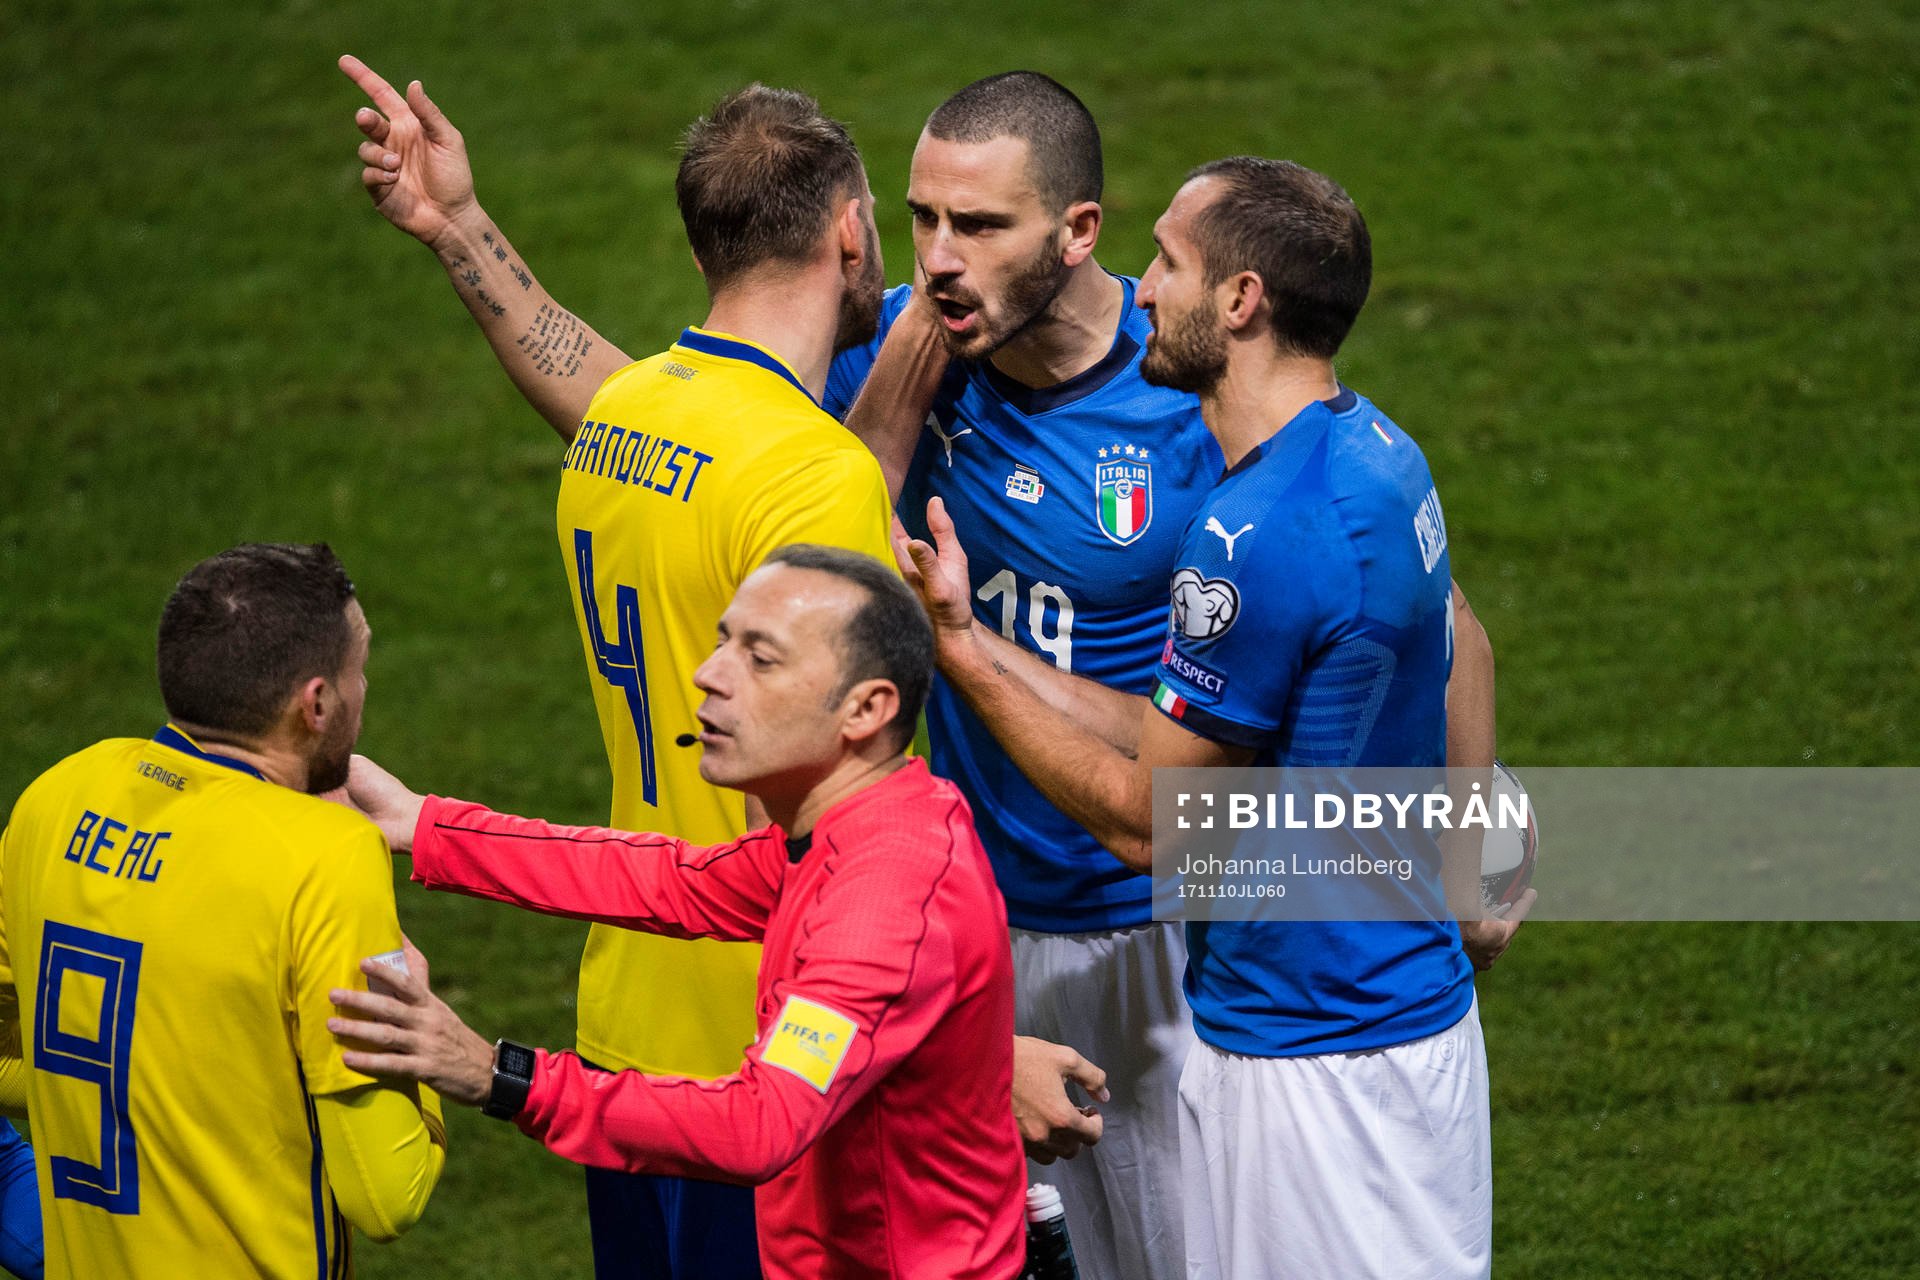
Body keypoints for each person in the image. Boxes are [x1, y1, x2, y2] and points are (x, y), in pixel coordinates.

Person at [339, 57, 1111, 1276]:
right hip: (769, 1036)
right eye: (913, 224)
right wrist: (971, 1044)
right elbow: (855, 818)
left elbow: (576, 371)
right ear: (856, 233)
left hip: (626, 1011)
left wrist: (457, 227)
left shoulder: (631, 418)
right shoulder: (817, 478)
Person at [895, 158, 1533, 1279]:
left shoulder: (1250, 538)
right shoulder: (1378, 453)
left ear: (1241, 301)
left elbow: (1154, 827)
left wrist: (961, 665)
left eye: (1172, 265)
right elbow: (1462, 640)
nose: (1140, 287)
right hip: (1398, 1014)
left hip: (1313, 1056)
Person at [329, 546, 1023, 1280]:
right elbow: (673, 879)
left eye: (760, 659)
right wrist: (427, 825)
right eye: (725, 640)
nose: (708, 674)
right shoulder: (858, 824)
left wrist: (499, 1074)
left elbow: (762, 1122)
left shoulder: (883, 894)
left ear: (867, 708)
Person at [0, 543, 444, 1279]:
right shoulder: (324, 858)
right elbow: (387, 1194)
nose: (364, 687)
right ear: (317, 703)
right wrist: (418, 1034)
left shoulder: (56, 794)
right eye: (358, 668)